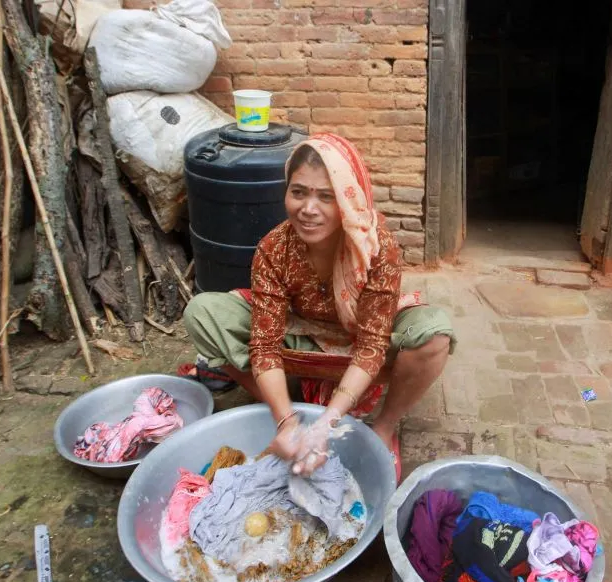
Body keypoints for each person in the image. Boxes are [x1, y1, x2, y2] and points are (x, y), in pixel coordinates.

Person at [183, 133, 455, 478]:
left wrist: (327, 424)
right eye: (298, 192)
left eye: (327, 196)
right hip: (302, 334)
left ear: (348, 198)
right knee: (203, 313)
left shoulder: (375, 246)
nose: (308, 209)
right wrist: (288, 423)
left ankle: (384, 427)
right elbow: (265, 344)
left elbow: (372, 345)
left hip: (363, 335)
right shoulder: (274, 248)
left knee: (433, 335)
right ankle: (284, 409)